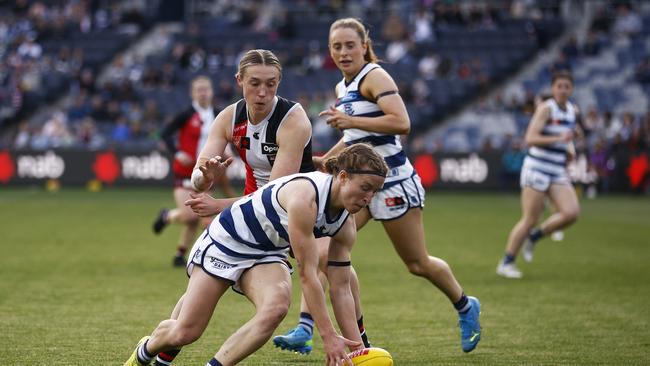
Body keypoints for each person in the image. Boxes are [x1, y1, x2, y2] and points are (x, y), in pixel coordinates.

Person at [273, 18, 482, 354]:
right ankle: (306, 328)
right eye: (336, 46)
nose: (343, 52)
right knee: (325, 252)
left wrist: (351, 120)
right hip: (359, 185)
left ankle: (465, 305)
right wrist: (326, 159)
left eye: (349, 45)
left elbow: (402, 123)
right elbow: (356, 137)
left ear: (364, 45)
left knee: (417, 263)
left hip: (394, 181)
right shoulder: (344, 87)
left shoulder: (375, 76)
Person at [123, 143, 388, 366]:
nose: (369, 197)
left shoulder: (345, 223)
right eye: (365, 187)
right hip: (228, 241)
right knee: (185, 332)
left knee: (275, 309)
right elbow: (308, 276)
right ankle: (145, 351)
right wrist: (328, 335)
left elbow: (341, 288)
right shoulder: (305, 199)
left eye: (374, 191)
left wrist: (357, 354)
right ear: (342, 176)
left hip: (268, 252)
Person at [149, 49, 319, 366]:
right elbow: (198, 177)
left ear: (280, 81)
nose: (263, 92)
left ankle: (347, 343)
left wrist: (217, 204)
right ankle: (159, 354)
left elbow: (274, 196)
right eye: (254, 83)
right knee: (194, 314)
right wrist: (204, 177)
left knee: (334, 268)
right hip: (248, 218)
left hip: (289, 210)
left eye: (271, 83)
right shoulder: (228, 117)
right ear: (239, 80)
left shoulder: (292, 121)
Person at [496, 70, 581, 279]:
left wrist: (570, 148)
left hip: (557, 169)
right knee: (530, 218)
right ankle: (506, 262)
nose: (562, 90)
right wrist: (559, 139)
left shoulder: (572, 110)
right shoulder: (545, 109)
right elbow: (531, 138)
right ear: (553, 89)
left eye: (566, 86)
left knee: (571, 213)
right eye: (559, 86)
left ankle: (535, 237)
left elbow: (567, 136)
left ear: (572, 89)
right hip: (537, 168)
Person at [152, 75, 236, 267]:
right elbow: (164, 134)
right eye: (199, 89)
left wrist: (228, 149)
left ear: (212, 92)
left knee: (196, 216)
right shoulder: (186, 114)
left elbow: (224, 138)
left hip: (206, 174)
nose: (203, 93)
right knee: (190, 215)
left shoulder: (218, 114)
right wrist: (177, 152)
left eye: (206, 89)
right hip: (184, 171)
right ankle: (167, 216)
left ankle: (179, 255)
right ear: (193, 93)